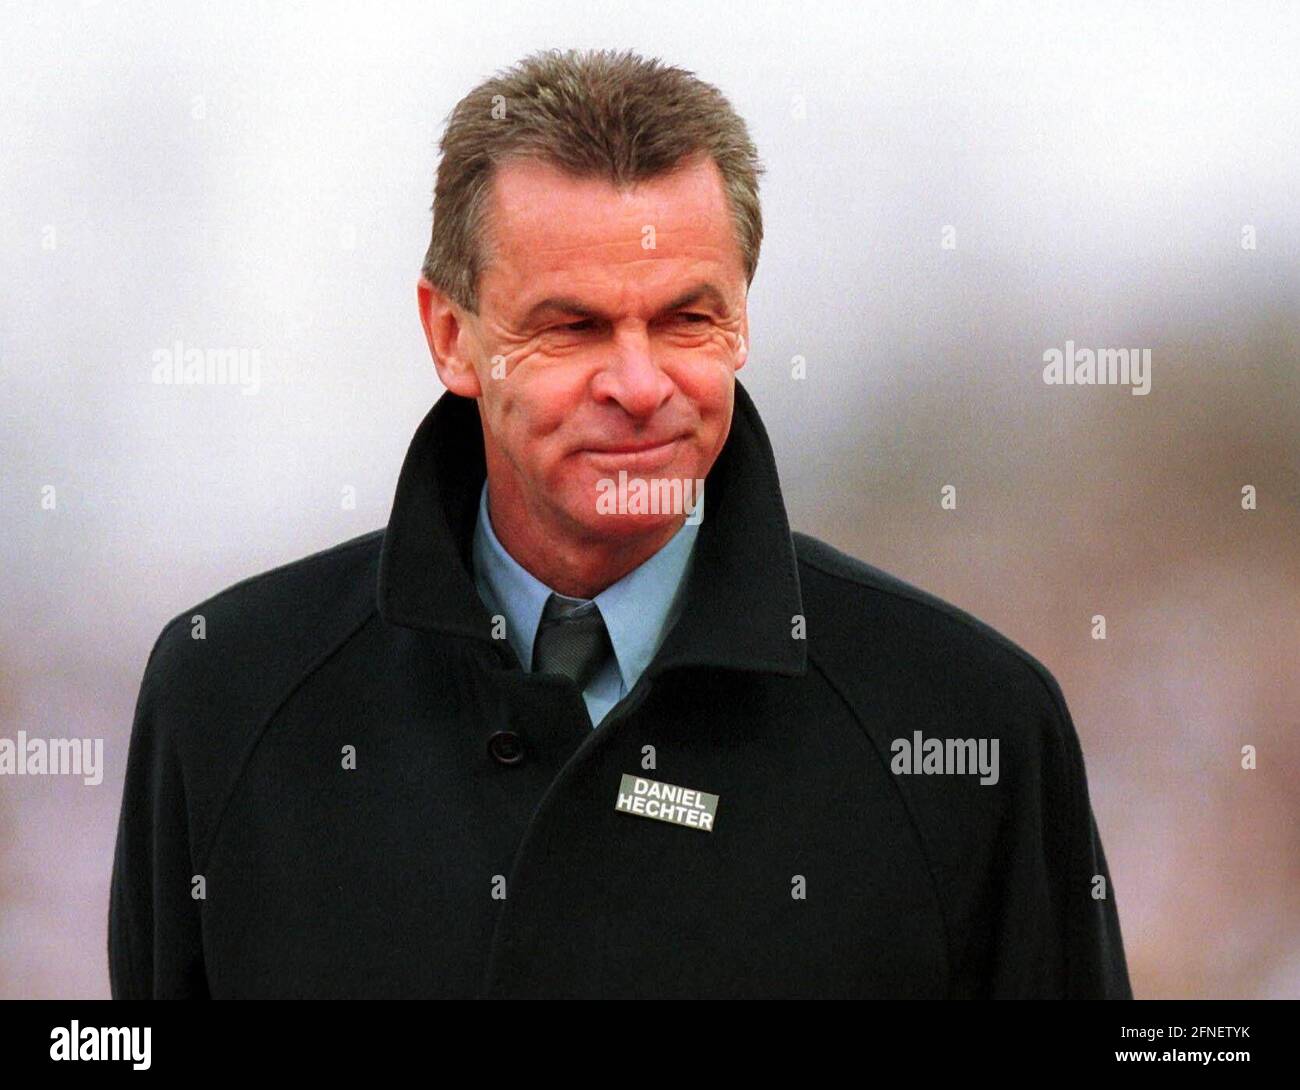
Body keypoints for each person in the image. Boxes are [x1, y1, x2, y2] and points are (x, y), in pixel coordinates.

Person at [109, 47, 1132, 999]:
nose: (640, 386)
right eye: (571, 326)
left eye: (688, 318)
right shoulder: (229, 699)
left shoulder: (969, 722)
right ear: (451, 337)